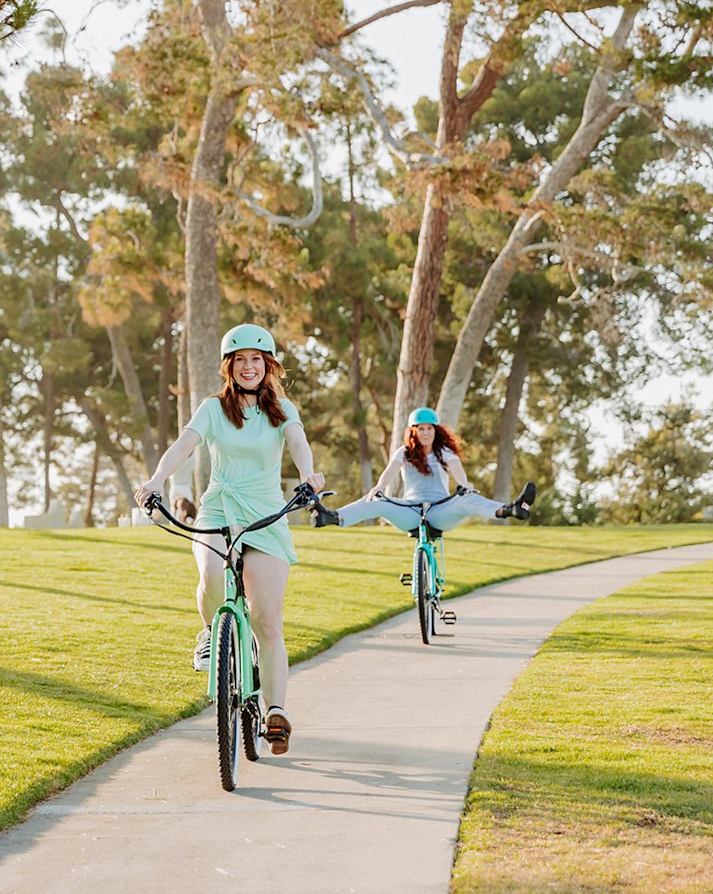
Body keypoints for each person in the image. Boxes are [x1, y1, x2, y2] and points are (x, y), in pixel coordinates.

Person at [134, 323, 325, 755]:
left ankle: (276, 712)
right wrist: (158, 478)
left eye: (256, 359)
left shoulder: (283, 410)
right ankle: (210, 632)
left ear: (268, 365)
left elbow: (298, 443)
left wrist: (309, 475)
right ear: (229, 367)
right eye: (240, 360)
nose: (249, 367)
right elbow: (185, 444)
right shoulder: (213, 409)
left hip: (266, 515)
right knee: (210, 575)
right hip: (220, 507)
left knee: (268, 621)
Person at [314, 407, 535, 532]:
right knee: (376, 501)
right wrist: (379, 487)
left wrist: (465, 486)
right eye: (421, 429)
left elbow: (459, 472)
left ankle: (509, 509)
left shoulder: (444, 453)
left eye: (429, 429)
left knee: (467, 499)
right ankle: (332, 517)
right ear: (414, 431)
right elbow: (390, 471)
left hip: (440, 511)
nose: (426, 433)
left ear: (435, 431)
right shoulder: (405, 452)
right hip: (410, 511)